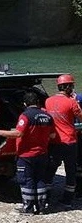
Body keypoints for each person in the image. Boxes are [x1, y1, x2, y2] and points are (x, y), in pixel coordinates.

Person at [0, 91, 55, 215]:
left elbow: (18, 133)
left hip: (26, 155)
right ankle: (41, 207)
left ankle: (28, 208)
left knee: (26, 180)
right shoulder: (47, 116)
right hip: (42, 154)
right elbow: (52, 135)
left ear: (25, 104)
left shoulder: (25, 116)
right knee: (40, 179)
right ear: (37, 102)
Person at [44, 74, 82, 207]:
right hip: (70, 141)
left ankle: (46, 197)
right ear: (68, 87)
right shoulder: (72, 102)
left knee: (50, 169)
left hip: (54, 142)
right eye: (72, 86)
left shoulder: (48, 101)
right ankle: (67, 200)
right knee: (70, 171)